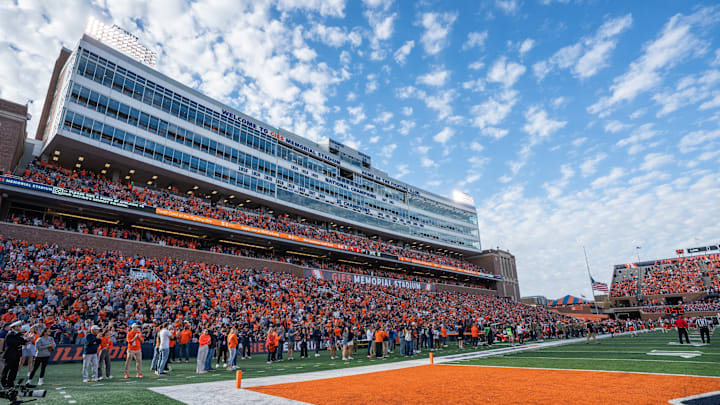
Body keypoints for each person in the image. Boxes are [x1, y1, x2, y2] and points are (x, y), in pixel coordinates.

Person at [1, 322, 26, 388]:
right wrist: (22, 340)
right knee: (7, 369)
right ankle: (3, 383)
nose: (20, 327)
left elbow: (23, 342)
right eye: (19, 326)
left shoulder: (19, 334)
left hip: (17, 354)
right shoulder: (10, 334)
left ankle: (10, 383)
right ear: (15, 327)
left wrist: (24, 340)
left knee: (14, 370)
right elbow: (15, 343)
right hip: (10, 355)